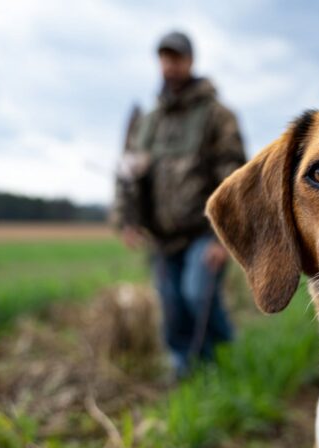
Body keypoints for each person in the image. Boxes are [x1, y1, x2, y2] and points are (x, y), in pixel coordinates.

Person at [112, 31, 246, 378]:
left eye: (177, 58)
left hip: (203, 230)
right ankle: (184, 368)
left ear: (190, 61)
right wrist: (127, 220)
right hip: (162, 235)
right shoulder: (149, 122)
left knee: (196, 294)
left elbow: (232, 177)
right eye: (165, 58)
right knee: (171, 306)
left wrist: (223, 237)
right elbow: (130, 172)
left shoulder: (218, 115)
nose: (170, 65)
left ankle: (225, 360)